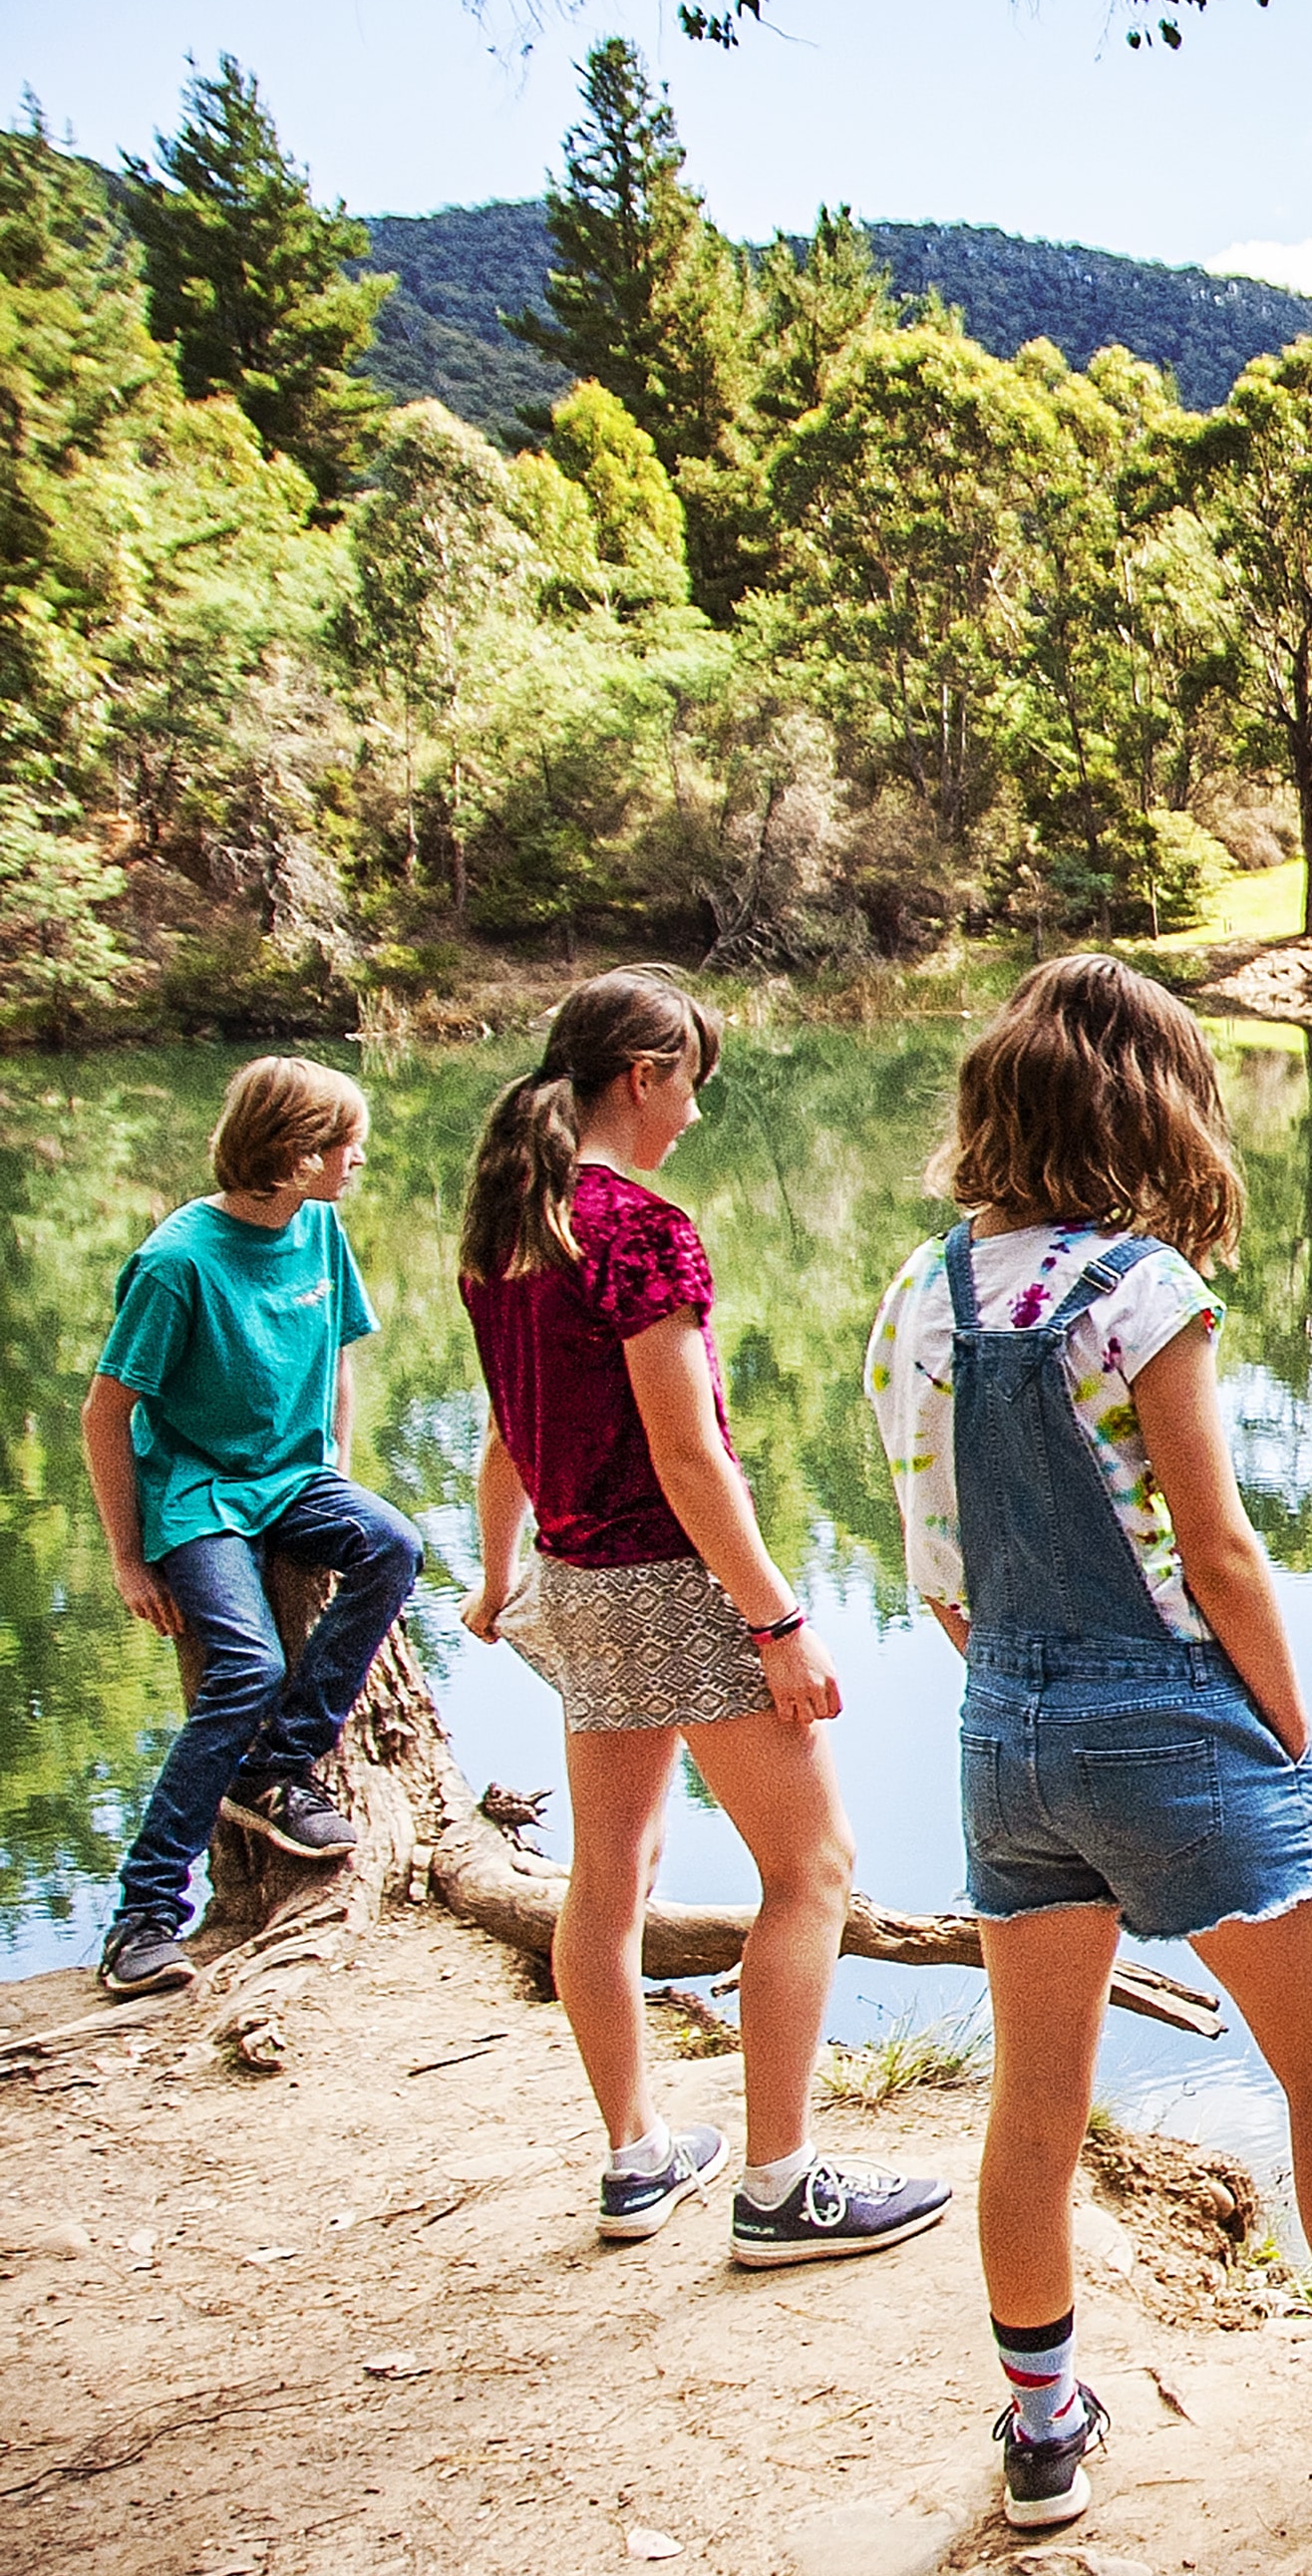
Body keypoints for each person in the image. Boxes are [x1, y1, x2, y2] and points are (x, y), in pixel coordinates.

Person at [866, 954, 1312, 2530]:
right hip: (1173, 1713)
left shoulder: (924, 1290)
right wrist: (1283, 1726)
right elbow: (1217, 1542)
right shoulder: (1140, 1291)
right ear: (1150, 1110)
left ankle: (1041, 2434)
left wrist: (1019, 1690)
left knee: (1034, 2094)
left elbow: (935, 1557)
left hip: (1004, 1730)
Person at [457, 967, 954, 2268]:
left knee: (610, 1876)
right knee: (812, 1870)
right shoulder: (636, 1229)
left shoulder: (510, 1226)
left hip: (577, 1583)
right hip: (675, 1584)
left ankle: (636, 2157)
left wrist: (496, 1573)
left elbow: (509, 1439)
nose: (690, 1117)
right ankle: (781, 2186)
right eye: (690, 1088)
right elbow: (690, 1459)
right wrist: (778, 1620)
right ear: (646, 1072)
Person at [81, 1058, 424, 1998]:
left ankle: (275, 1768)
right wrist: (126, 1556)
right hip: (196, 1496)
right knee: (246, 1667)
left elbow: (340, 1362)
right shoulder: (178, 1261)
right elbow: (104, 1415)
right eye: (342, 1142)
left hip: (292, 1478)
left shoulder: (320, 1228)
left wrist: (333, 1478)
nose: (357, 1157)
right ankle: (143, 1916)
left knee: (393, 1542)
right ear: (294, 1152)